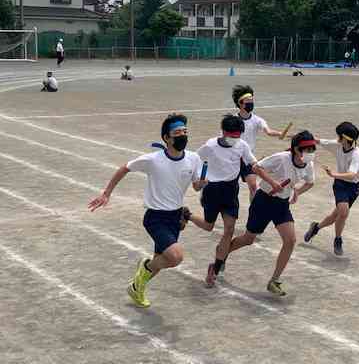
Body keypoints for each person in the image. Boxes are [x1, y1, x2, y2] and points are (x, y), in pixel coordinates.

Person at [87, 114, 206, 307]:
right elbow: (124, 168)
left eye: (185, 131)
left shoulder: (194, 158)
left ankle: (136, 288)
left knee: (160, 261)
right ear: (167, 138)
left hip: (175, 217)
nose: (183, 135)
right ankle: (144, 267)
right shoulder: (153, 160)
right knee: (175, 257)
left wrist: (200, 184)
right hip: (155, 218)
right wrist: (106, 193)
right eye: (177, 132)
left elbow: (196, 186)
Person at [225, 131, 316, 296]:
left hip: (282, 205)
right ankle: (222, 255)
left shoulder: (309, 164)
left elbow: (310, 182)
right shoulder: (281, 158)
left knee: (290, 240)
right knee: (248, 239)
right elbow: (256, 167)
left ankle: (274, 280)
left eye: (312, 149)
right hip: (263, 201)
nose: (311, 152)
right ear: (296, 149)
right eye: (307, 149)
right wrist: (273, 183)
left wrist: (297, 192)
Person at [189, 115, 258, 286]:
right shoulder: (210, 146)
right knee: (209, 226)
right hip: (212, 190)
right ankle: (186, 214)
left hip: (230, 191)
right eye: (232, 135)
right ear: (223, 132)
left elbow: (253, 162)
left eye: (238, 135)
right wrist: (198, 180)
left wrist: (266, 170)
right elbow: (194, 161)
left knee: (229, 229)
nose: (235, 139)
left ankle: (215, 269)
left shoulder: (242, 145)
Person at [304, 122, 359, 255]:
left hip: (354, 186)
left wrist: (333, 174)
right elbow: (317, 141)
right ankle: (338, 239)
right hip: (340, 184)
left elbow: (352, 174)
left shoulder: (357, 153)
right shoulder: (337, 145)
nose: (337, 138)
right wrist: (299, 138)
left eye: (339, 136)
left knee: (336, 215)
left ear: (345, 138)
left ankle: (316, 228)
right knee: (343, 212)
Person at [232, 85, 286, 200]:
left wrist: (280, 134)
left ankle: (253, 209)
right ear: (240, 103)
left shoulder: (257, 120)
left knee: (253, 186)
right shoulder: (232, 120)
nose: (251, 103)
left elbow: (269, 131)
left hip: (248, 158)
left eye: (252, 101)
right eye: (248, 101)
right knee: (231, 187)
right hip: (232, 158)